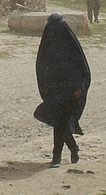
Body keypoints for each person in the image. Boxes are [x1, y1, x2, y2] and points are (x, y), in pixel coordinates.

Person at [33, 14, 90, 167]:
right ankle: (73, 148)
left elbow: (80, 66)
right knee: (60, 122)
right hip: (54, 90)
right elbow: (42, 66)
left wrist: (80, 86)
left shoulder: (70, 44)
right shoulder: (47, 44)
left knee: (60, 121)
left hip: (70, 90)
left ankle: (56, 156)